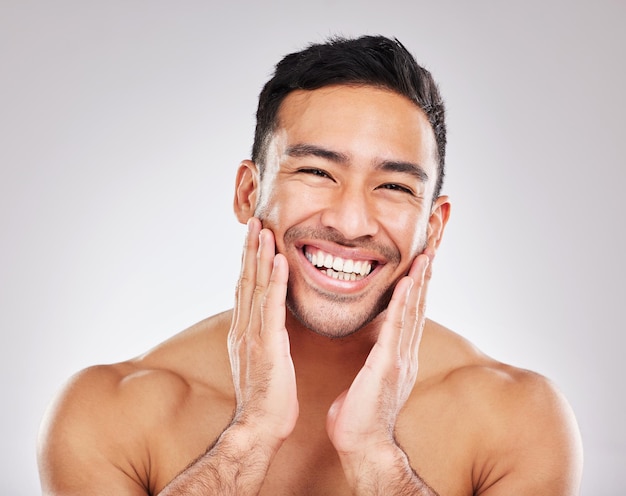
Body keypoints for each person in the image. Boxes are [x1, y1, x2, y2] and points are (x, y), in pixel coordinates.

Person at [37, 35, 583, 495]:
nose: (350, 223)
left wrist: (375, 458)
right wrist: (248, 437)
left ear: (433, 228)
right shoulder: (105, 414)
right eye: (318, 172)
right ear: (249, 192)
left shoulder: (520, 422)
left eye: (393, 186)